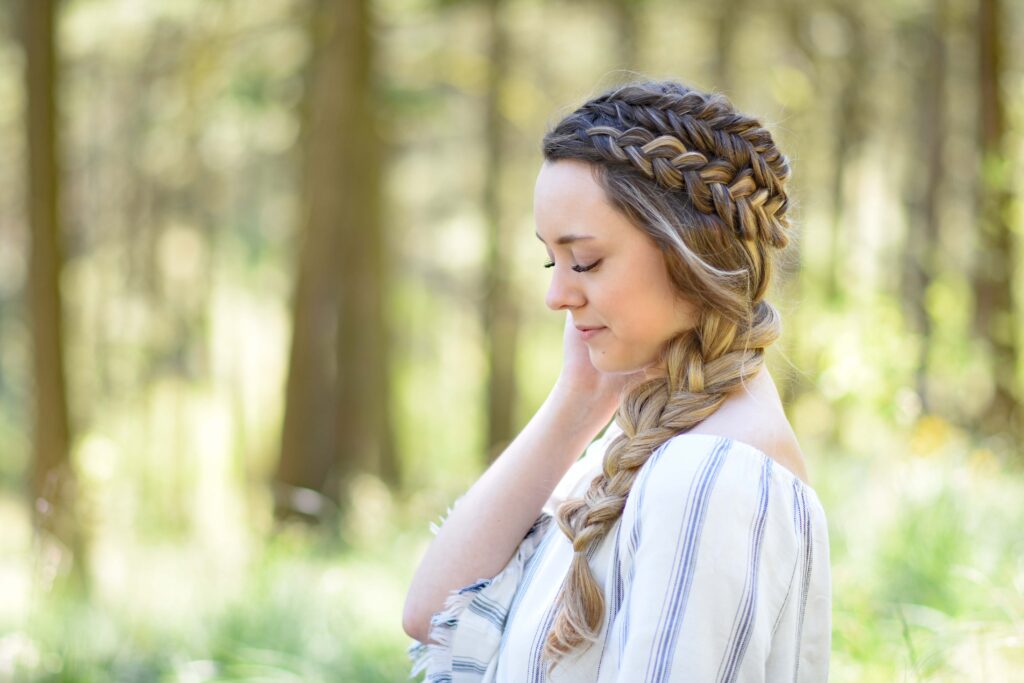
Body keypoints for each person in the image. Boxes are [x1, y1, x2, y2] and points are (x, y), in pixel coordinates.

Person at [402, 78, 831, 682]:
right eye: (552, 261)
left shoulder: (711, 477)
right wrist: (578, 397)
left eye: (585, 261)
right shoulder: (633, 454)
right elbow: (430, 616)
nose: (556, 294)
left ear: (689, 250)